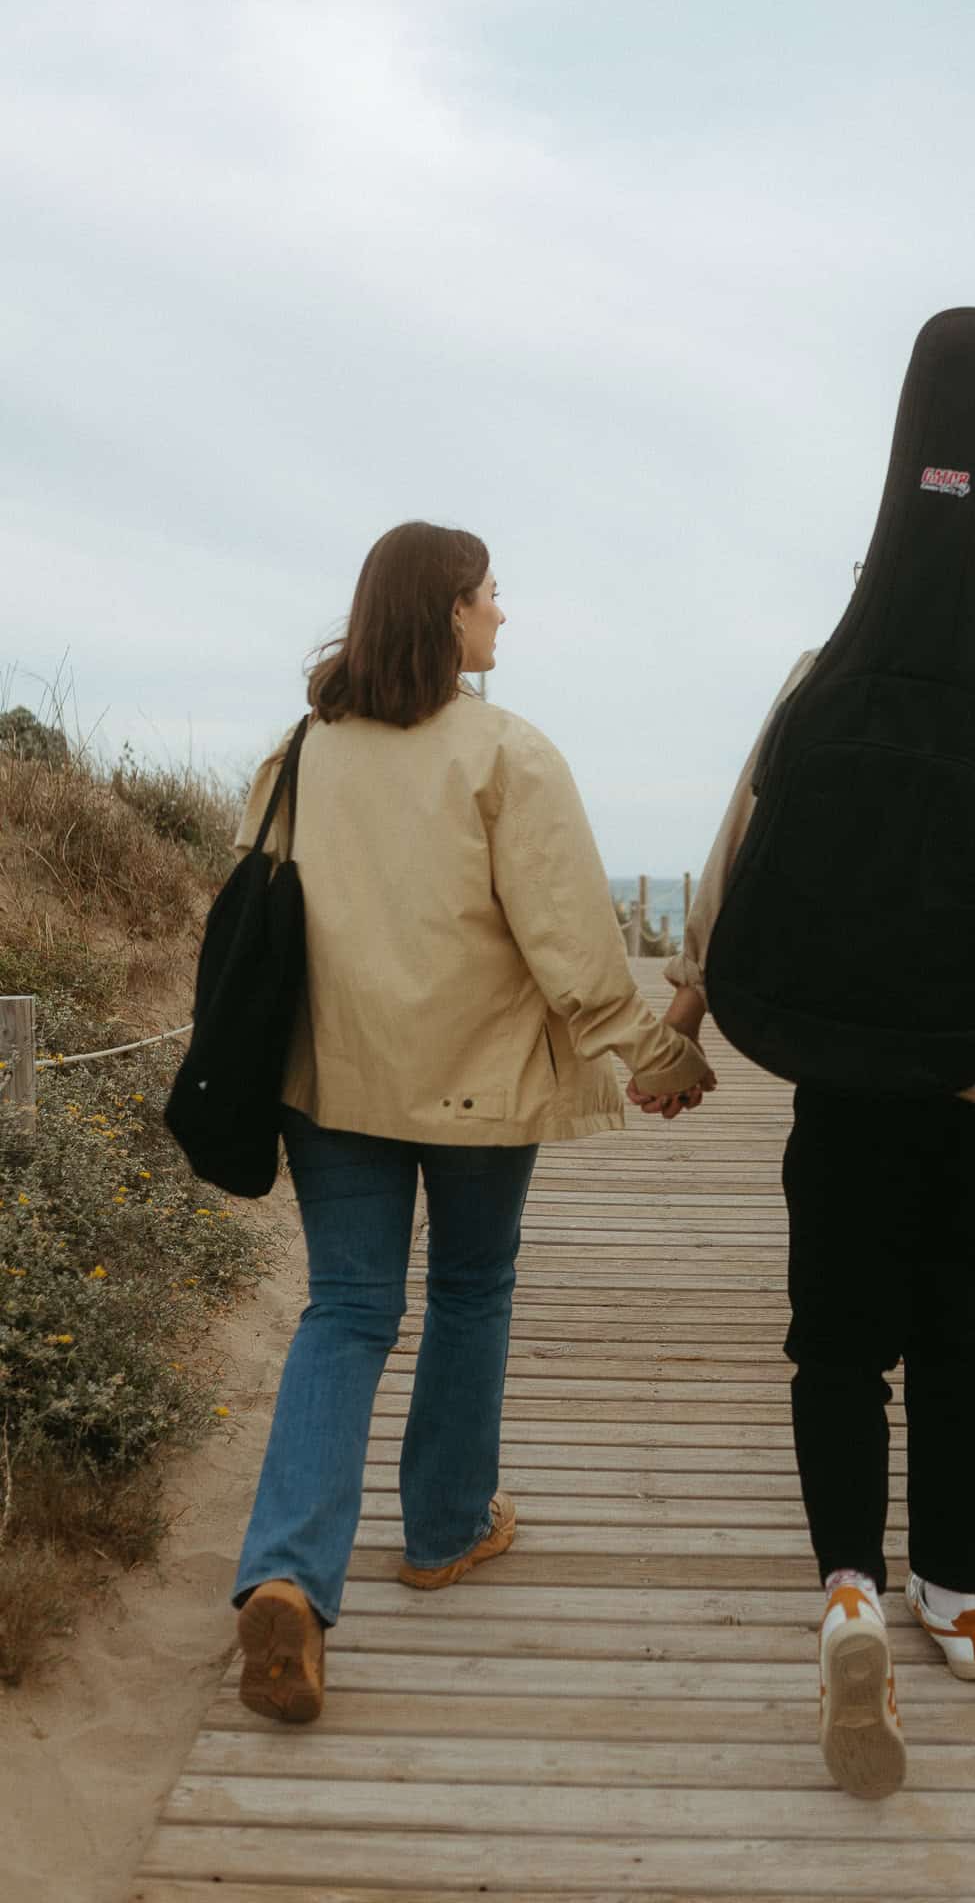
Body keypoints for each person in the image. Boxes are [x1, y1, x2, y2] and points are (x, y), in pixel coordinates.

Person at [646, 527, 975, 1798]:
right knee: (953, 1340)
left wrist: (689, 1014)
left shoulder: (823, 695)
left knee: (837, 1344)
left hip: (847, 1077)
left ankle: (850, 1590)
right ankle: (960, 1599)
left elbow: (731, 873)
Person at [230, 520, 714, 1724]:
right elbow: (571, 943)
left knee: (346, 1309)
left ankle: (287, 1572)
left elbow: (255, 917)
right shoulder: (507, 752)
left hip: (331, 1079)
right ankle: (443, 1529)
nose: (504, 613)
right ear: (448, 611)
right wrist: (658, 1055)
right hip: (478, 1086)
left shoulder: (301, 751)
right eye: (492, 594)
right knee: (470, 1286)